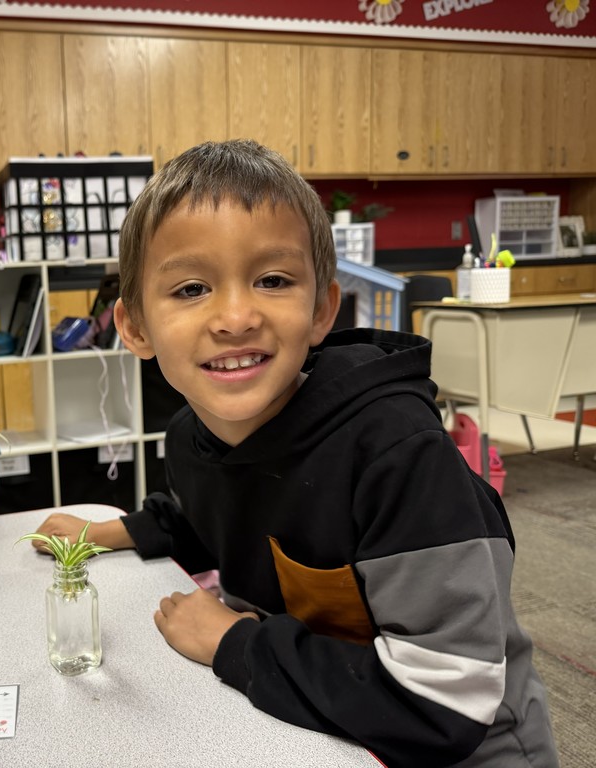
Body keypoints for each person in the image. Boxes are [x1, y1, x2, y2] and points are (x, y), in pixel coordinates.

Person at [32, 140, 557, 767]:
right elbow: (209, 518)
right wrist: (108, 530)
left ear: (321, 310)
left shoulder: (395, 452)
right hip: (322, 731)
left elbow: (443, 703)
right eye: (192, 288)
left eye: (273, 280)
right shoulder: (190, 439)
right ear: (136, 328)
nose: (235, 316)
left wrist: (236, 643)